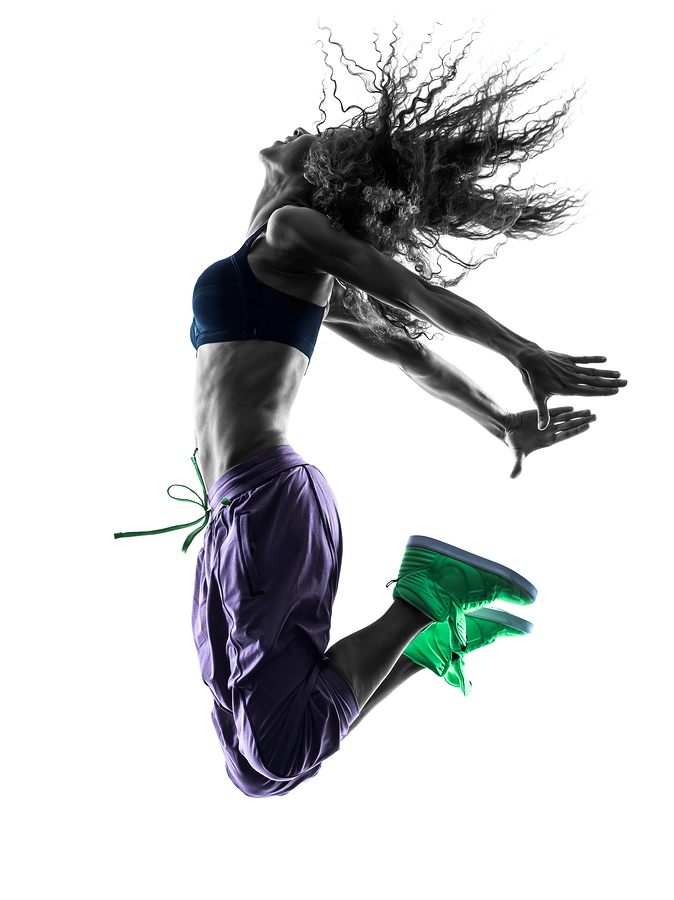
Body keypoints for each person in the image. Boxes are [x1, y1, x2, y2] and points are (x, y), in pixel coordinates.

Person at [116, 27, 626, 797]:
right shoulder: (274, 256)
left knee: (281, 744)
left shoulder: (292, 231)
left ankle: (424, 596)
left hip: (265, 497)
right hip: (230, 517)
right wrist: (501, 422)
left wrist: (520, 350)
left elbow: (414, 297)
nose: (302, 128)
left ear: (325, 176)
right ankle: (421, 647)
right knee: (255, 772)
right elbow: (410, 356)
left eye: (317, 137)